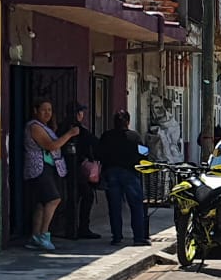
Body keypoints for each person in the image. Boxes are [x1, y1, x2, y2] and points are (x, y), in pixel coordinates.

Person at [23, 99, 79, 251]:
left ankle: (35, 236)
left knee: (42, 203)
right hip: (39, 169)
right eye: (44, 110)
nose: (47, 113)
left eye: (50, 110)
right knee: (54, 199)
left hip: (47, 167)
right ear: (35, 110)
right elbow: (51, 145)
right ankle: (44, 234)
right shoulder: (34, 127)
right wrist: (69, 134)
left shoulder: (45, 127)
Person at [97, 110, 149, 245]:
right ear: (128, 122)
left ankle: (117, 237)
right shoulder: (135, 137)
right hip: (130, 174)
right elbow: (145, 153)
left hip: (111, 173)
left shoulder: (107, 136)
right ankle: (139, 238)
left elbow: (99, 153)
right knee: (136, 206)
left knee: (114, 207)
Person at [68, 102, 101, 239]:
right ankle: (81, 228)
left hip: (69, 168)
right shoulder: (77, 129)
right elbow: (95, 142)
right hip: (76, 168)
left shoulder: (65, 127)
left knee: (75, 198)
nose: (82, 115)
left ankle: (73, 228)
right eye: (81, 112)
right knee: (86, 196)